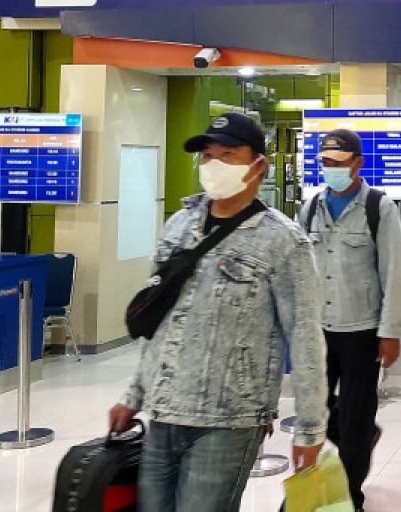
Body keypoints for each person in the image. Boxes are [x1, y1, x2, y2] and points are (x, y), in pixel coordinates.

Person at [109, 113, 328, 511]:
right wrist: (133, 394)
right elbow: (161, 321)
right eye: (208, 156)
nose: (214, 166)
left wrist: (310, 430)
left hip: (230, 419)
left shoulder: (283, 241)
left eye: (227, 155)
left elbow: (305, 336)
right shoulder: (179, 226)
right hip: (164, 410)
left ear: (257, 166)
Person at [300, 129, 401, 512]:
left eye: (338, 163)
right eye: (325, 163)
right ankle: (354, 440)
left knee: (357, 417)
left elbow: (394, 273)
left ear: (358, 164)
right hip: (319, 328)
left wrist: (390, 333)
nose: (330, 170)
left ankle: (350, 495)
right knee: (318, 408)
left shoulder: (379, 207)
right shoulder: (310, 208)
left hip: (362, 331)